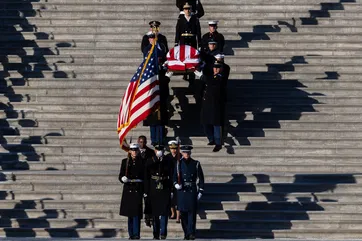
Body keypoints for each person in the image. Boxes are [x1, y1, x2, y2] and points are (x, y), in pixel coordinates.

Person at [142, 34, 170, 145]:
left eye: (153, 38)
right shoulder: (147, 50)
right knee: (152, 119)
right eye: (150, 38)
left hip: (161, 94)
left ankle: (160, 138)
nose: (152, 40)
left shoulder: (161, 47)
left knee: (160, 119)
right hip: (151, 92)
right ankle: (154, 139)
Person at [173, 145, 204, 240]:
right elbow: (174, 176)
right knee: (183, 213)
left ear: (190, 153)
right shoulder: (178, 163)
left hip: (191, 190)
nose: (186, 154)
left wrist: (200, 191)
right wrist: (176, 184)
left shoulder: (196, 163)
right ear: (182, 153)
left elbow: (201, 178)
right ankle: (186, 232)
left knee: (192, 213)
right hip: (182, 190)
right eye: (185, 152)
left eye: (188, 152)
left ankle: (191, 233)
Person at [144, 145, 173, 239]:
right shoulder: (150, 160)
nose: (159, 151)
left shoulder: (168, 160)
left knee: (164, 212)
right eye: (157, 150)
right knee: (155, 212)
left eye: (161, 150)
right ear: (155, 151)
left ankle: (163, 232)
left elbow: (170, 172)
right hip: (153, 186)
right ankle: (155, 233)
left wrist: (171, 188)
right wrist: (156, 159)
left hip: (164, 186)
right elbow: (147, 171)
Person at [119, 143, 145, 240]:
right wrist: (123, 178)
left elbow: (144, 177)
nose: (134, 152)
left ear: (138, 151)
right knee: (129, 214)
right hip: (128, 189)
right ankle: (131, 234)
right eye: (132, 150)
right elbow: (120, 175)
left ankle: (136, 233)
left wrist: (144, 190)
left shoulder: (142, 162)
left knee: (136, 214)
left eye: (136, 150)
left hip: (137, 189)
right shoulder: (125, 161)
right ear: (129, 151)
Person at [200, 61, 227, 152]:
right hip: (207, 103)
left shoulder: (220, 78)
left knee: (216, 124)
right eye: (214, 67)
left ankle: (218, 143)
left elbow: (210, 81)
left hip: (216, 104)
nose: (215, 69)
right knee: (205, 122)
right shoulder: (212, 77)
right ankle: (211, 139)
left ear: (221, 69)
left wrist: (202, 76)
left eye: (218, 67)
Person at [175, 2, 202, 82]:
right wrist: (176, 42)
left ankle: (192, 75)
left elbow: (198, 32)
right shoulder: (181, 19)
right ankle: (185, 73)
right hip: (183, 39)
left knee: (192, 57)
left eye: (189, 9)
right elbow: (178, 31)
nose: (187, 11)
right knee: (184, 57)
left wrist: (199, 43)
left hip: (192, 39)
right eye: (186, 9)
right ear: (183, 10)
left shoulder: (195, 18)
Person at [164, 140, 181, 223]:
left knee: (178, 198)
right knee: (170, 198)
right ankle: (172, 213)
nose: (173, 150)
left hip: (178, 180)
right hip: (169, 179)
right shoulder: (167, 157)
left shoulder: (180, 156)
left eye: (175, 148)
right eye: (172, 149)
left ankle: (178, 216)